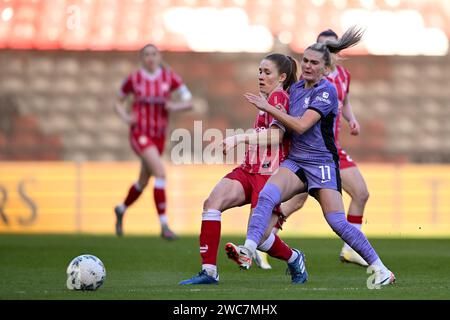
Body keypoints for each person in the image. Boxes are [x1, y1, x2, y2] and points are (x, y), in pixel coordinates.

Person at [226, 26, 396, 286]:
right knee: (268, 195)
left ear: (325, 69)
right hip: (296, 162)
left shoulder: (326, 92)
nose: (307, 65)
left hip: (322, 164)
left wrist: (268, 107)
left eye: (314, 62)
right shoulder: (295, 89)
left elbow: (302, 125)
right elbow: (279, 101)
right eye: (304, 60)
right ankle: (248, 250)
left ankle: (380, 268)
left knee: (337, 222)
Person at [179, 53, 299, 285]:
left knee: (262, 238)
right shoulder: (266, 99)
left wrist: (239, 138)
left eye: (267, 72)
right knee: (212, 203)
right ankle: (209, 272)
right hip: (248, 170)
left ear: (282, 77)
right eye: (259, 72)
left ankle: (294, 258)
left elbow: (276, 136)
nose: (260, 76)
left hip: (269, 175)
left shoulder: (279, 98)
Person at [268, 29, 370, 267]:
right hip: (311, 151)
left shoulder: (343, 75)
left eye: (330, 48)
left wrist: (351, 119)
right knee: (294, 201)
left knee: (361, 193)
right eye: (322, 47)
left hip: (330, 150)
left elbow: (344, 102)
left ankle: (351, 249)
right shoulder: (315, 79)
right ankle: (264, 237)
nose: (326, 51)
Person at [114, 44, 193, 240]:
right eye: (146, 55)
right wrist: (126, 117)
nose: (150, 58)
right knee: (160, 171)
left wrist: (174, 105)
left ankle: (121, 208)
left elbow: (189, 101)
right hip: (139, 133)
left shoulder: (169, 77)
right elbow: (118, 101)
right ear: (142, 58)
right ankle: (164, 225)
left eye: (153, 54)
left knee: (143, 181)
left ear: (159, 57)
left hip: (159, 136)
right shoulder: (134, 79)